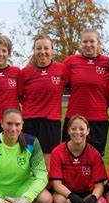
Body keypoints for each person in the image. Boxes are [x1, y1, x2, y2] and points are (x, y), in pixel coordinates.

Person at [49, 115, 108, 203]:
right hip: (65, 193)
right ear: (68, 130)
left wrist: (93, 197)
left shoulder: (94, 153)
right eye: (73, 128)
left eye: (81, 129)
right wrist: (71, 196)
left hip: (86, 192)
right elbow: (56, 184)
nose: (77, 132)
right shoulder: (57, 151)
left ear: (88, 131)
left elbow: (99, 185)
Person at [19, 34, 69, 170]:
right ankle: (28, 190)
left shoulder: (62, 70)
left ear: (52, 50)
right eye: (38, 48)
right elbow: (20, 97)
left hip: (51, 123)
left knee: (48, 162)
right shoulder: (25, 72)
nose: (42, 52)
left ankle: (46, 189)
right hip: (29, 122)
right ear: (34, 51)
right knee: (29, 159)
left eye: (46, 48)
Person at [63, 28, 109, 156]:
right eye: (85, 41)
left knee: (95, 161)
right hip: (73, 119)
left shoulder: (108, 63)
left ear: (98, 43)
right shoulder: (71, 61)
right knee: (68, 159)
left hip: (98, 121)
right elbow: (54, 75)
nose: (88, 45)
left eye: (92, 41)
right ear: (80, 43)